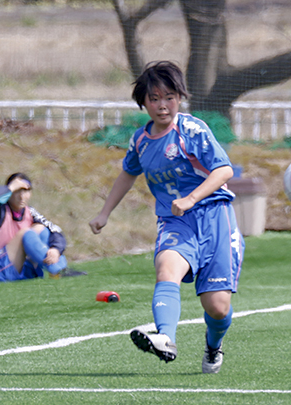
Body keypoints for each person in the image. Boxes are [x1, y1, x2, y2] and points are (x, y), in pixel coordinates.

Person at [89, 61, 244, 374]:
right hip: (175, 222)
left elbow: (224, 169)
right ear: (143, 102)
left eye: (170, 97)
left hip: (215, 218)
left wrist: (190, 198)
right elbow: (127, 174)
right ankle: (165, 339)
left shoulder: (192, 130)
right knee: (166, 269)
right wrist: (104, 213)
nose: (163, 105)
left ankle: (214, 347)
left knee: (217, 307)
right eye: (155, 98)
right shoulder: (140, 140)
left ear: (180, 98)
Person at [0, 172, 85, 283]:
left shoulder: (30, 212)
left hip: (13, 266)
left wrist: (55, 249)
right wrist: (11, 187)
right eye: (17, 191)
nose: (22, 196)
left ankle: (60, 269)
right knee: (26, 233)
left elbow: (55, 230)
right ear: (9, 192)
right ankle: (57, 270)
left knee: (41, 229)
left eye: (25, 191)